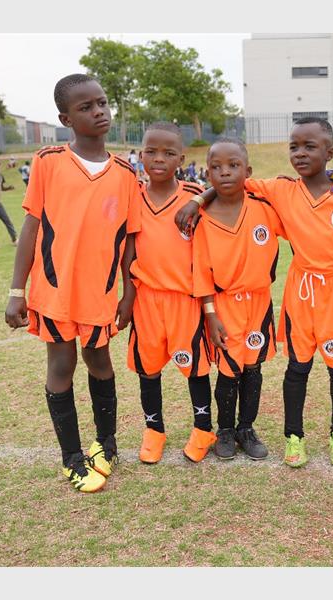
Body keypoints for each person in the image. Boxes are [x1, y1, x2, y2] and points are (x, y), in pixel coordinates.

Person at [179, 117, 333, 468]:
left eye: (309, 146)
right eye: (293, 146)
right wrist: (198, 200)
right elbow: (231, 182)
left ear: (329, 152)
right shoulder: (281, 191)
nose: (299, 153)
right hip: (300, 288)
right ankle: (292, 437)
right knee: (296, 367)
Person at [4, 73, 142, 493]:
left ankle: (107, 443)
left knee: (100, 363)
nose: (98, 111)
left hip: (100, 293)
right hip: (54, 291)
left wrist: (129, 292)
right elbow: (30, 229)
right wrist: (16, 291)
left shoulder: (125, 172)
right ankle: (71, 458)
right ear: (66, 118)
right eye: (86, 107)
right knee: (61, 365)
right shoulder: (48, 162)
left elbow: (130, 241)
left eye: (102, 103)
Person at [128, 122, 214, 465]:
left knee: (195, 367)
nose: (158, 159)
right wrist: (126, 296)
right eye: (151, 151)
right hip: (146, 297)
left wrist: (199, 197)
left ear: (181, 158)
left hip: (185, 298)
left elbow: (225, 191)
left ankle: (203, 427)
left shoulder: (194, 194)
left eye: (167, 153)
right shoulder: (132, 195)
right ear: (141, 155)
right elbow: (128, 249)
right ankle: (154, 430)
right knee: (148, 368)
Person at [192, 138, 283, 461]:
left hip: (258, 304)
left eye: (233, 166)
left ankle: (247, 427)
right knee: (228, 370)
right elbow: (201, 272)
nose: (225, 173)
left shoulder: (264, 209)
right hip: (224, 305)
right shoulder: (202, 219)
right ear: (207, 174)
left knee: (252, 367)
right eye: (216, 167)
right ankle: (226, 430)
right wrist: (211, 314)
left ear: (248, 171)